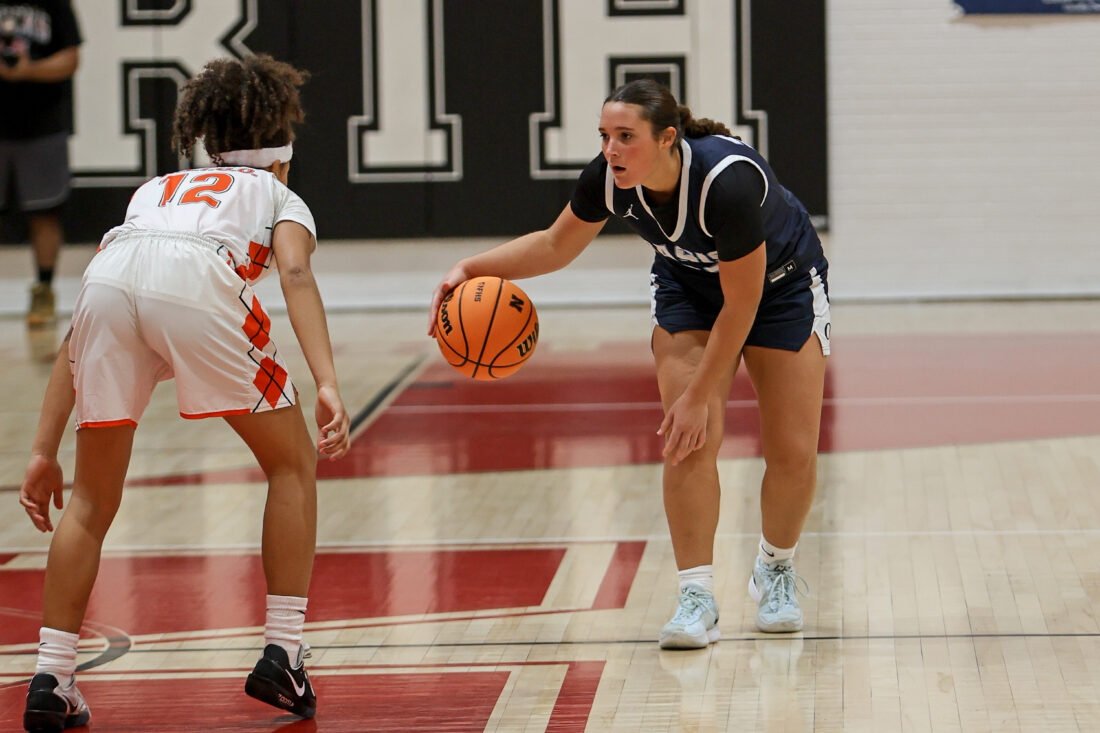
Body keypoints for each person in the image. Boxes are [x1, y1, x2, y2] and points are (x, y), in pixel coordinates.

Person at [429, 79, 829, 648]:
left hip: (780, 289)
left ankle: (776, 569)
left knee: (792, 449)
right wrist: (470, 268)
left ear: (668, 138)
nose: (610, 150)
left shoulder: (727, 183)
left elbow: (742, 306)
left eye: (625, 137)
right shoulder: (609, 180)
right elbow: (554, 245)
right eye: (604, 137)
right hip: (688, 289)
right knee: (689, 439)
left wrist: (697, 397)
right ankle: (696, 595)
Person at [17, 54, 350, 732]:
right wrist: (328, 381)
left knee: (89, 496)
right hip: (197, 283)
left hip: (110, 280)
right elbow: (294, 273)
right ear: (282, 148)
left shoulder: (155, 190)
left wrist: (43, 448)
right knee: (291, 464)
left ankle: (52, 673)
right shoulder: (278, 195)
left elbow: (76, 334)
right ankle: (283, 649)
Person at [0, 1, 82, 327]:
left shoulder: (55, 3)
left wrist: (28, 70)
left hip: (42, 124)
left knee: (45, 211)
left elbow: (71, 59)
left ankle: (44, 292)